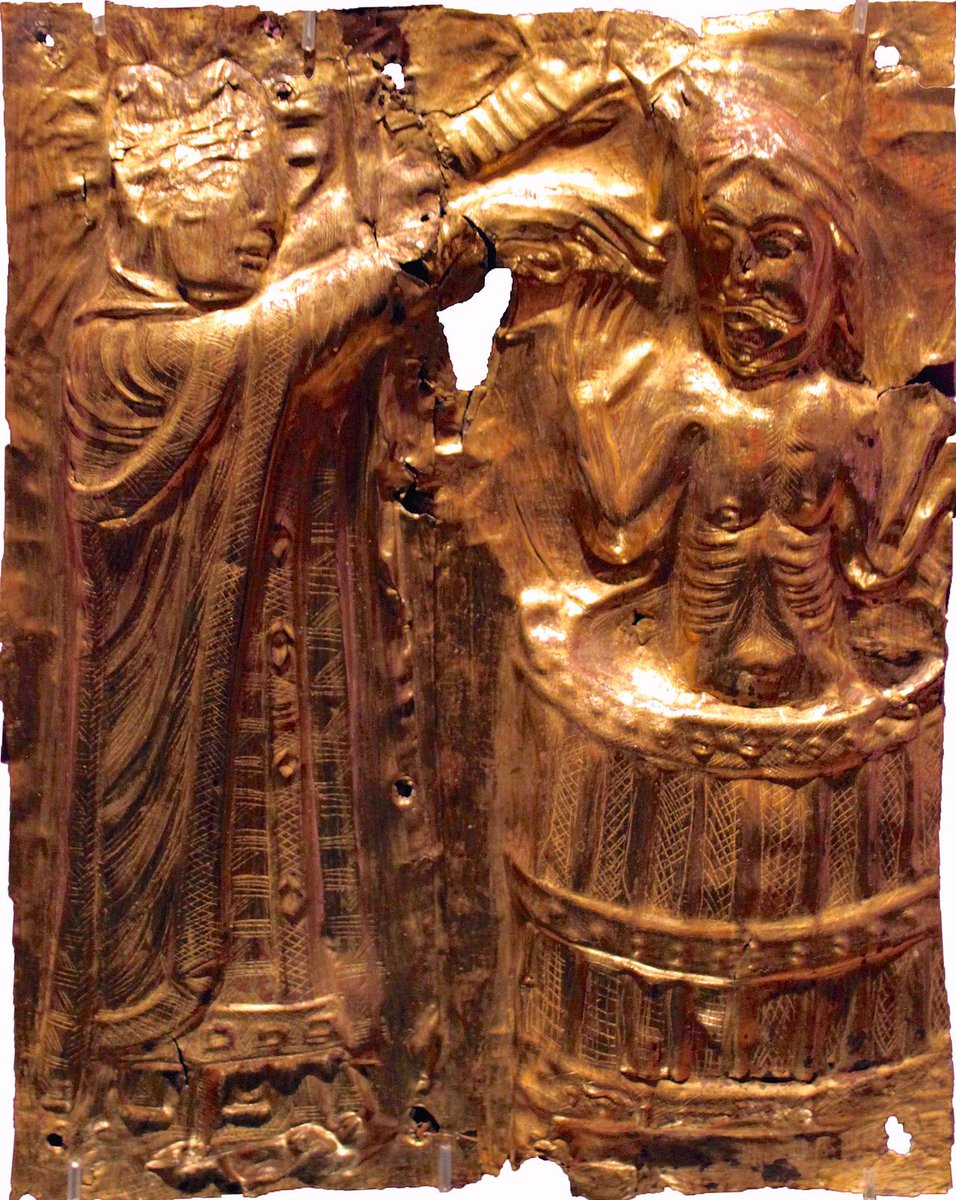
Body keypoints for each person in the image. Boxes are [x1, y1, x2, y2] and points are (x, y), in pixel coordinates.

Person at [38, 57, 432, 1126]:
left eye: (274, 211)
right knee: (157, 898)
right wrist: (386, 252)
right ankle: (142, 1087)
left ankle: (289, 1082)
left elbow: (284, 306)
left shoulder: (206, 312)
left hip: (249, 649)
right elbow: (271, 331)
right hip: (151, 710)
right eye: (242, 209)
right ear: (162, 209)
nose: (265, 232)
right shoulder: (118, 344)